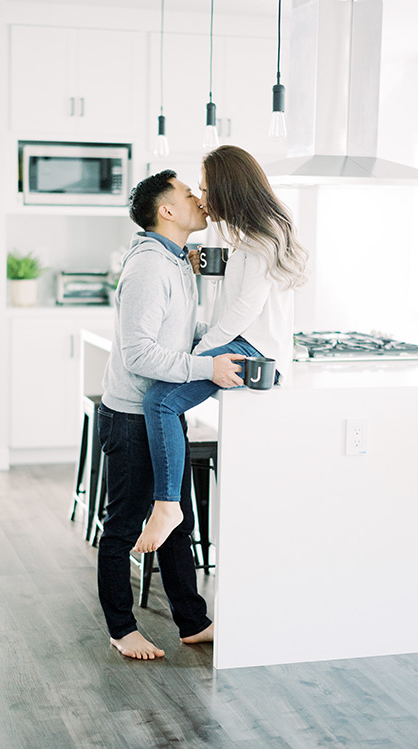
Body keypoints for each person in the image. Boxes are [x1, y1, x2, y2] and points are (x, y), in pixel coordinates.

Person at [97, 169, 244, 660]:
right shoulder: (149, 267)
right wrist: (208, 365)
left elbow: (175, 332)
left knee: (176, 518)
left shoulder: (175, 261)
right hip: (133, 416)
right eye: (188, 194)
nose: (200, 198)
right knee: (122, 527)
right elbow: (140, 353)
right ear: (166, 211)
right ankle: (121, 628)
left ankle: (193, 622)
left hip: (160, 410)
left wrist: (221, 337)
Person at [133, 145, 308, 554]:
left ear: (229, 189)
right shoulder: (258, 231)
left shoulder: (262, 236)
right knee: (165, 395)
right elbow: (243, 292)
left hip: (251, 348)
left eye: (207, 189)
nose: (203, 198)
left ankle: (168, 505)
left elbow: (243, 311)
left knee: (160, 402)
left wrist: (201, 352)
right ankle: (169, 503)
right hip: (246, 340)